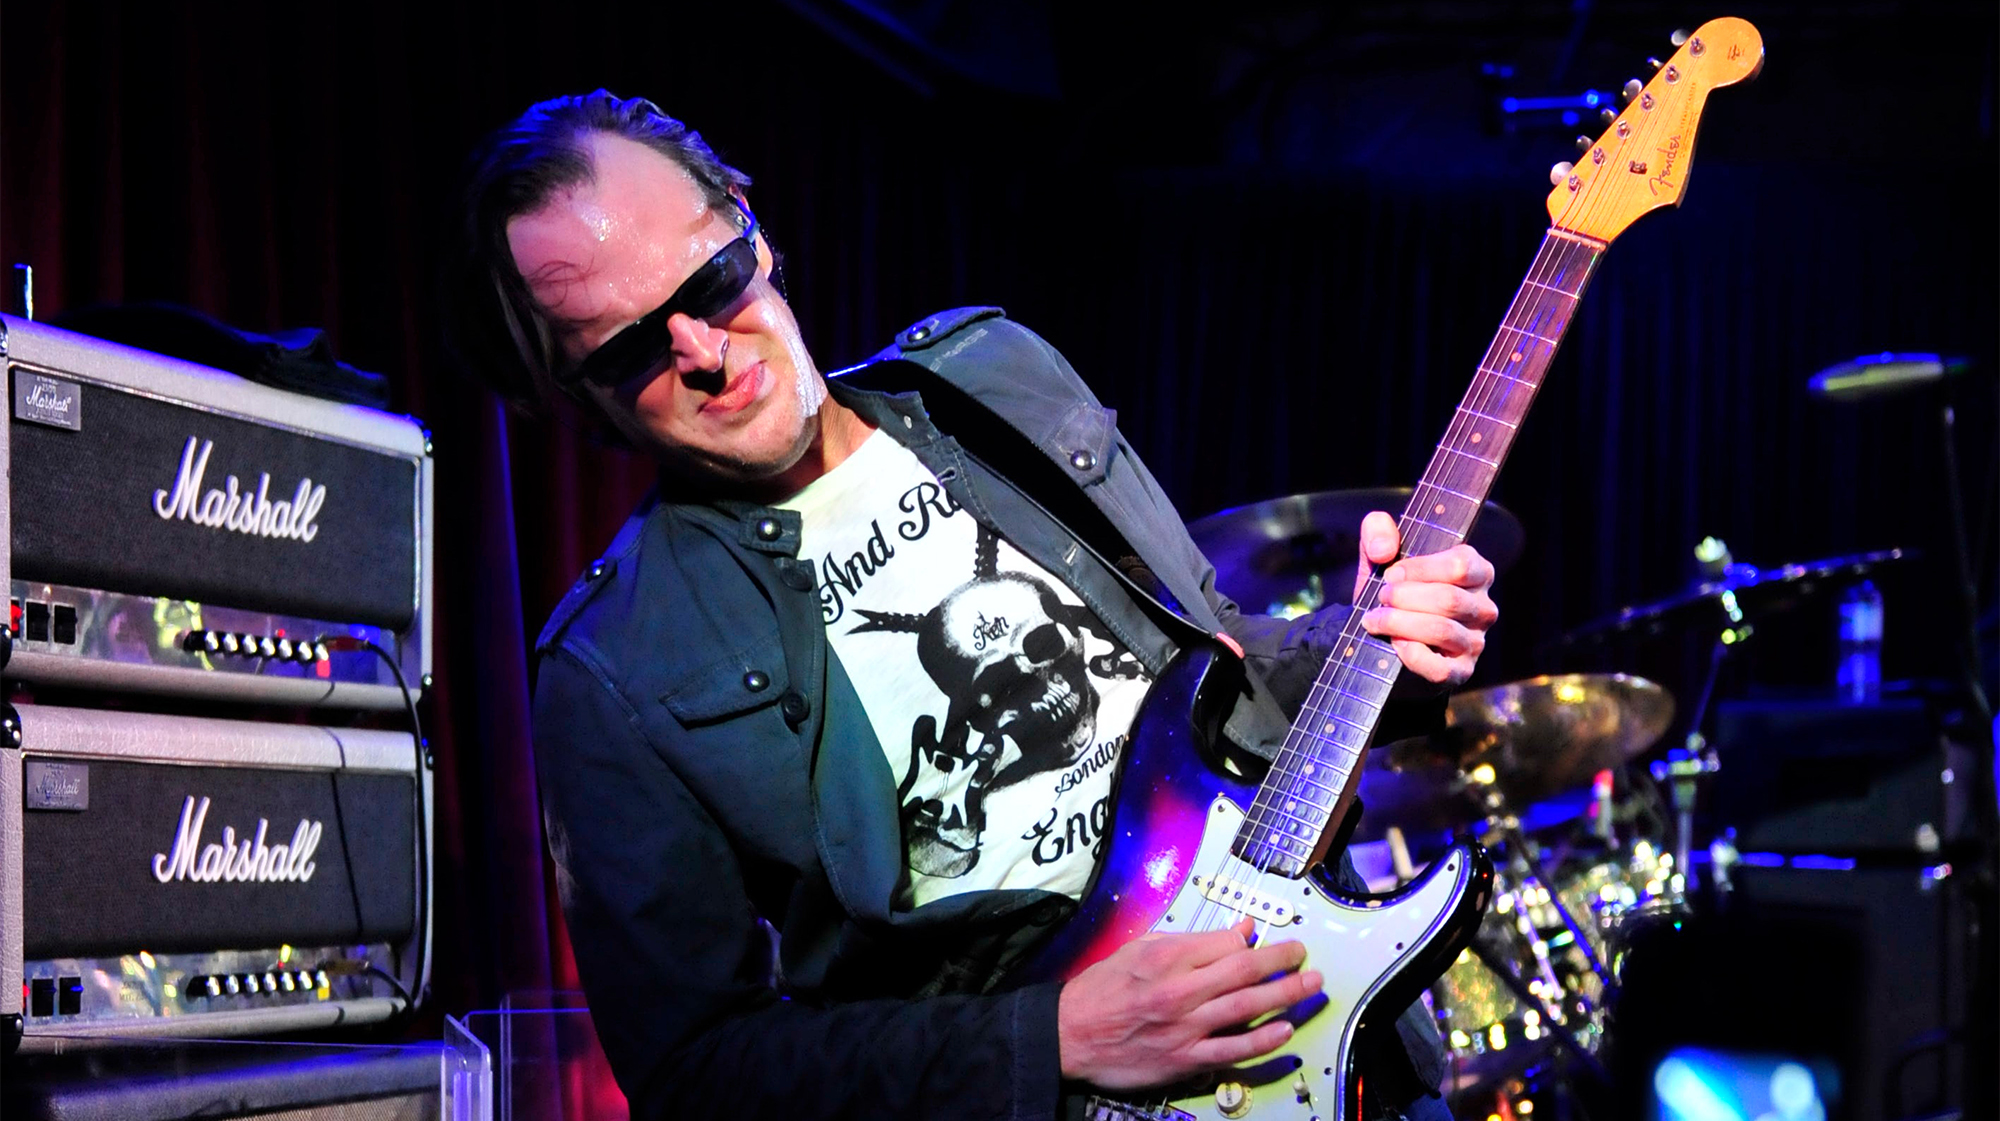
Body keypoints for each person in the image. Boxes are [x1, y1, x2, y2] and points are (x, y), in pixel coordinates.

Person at [444, 90, 1498, 1121]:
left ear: (749, 224)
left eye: (714, 281)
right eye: (633, 351)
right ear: (574, 397)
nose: (706, 353)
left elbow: (1216, 666)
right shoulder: (611, 666)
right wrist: (1046, 1040)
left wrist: (1365, 641)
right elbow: (697, 1073)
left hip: (1327, 1029)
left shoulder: (993, 378)